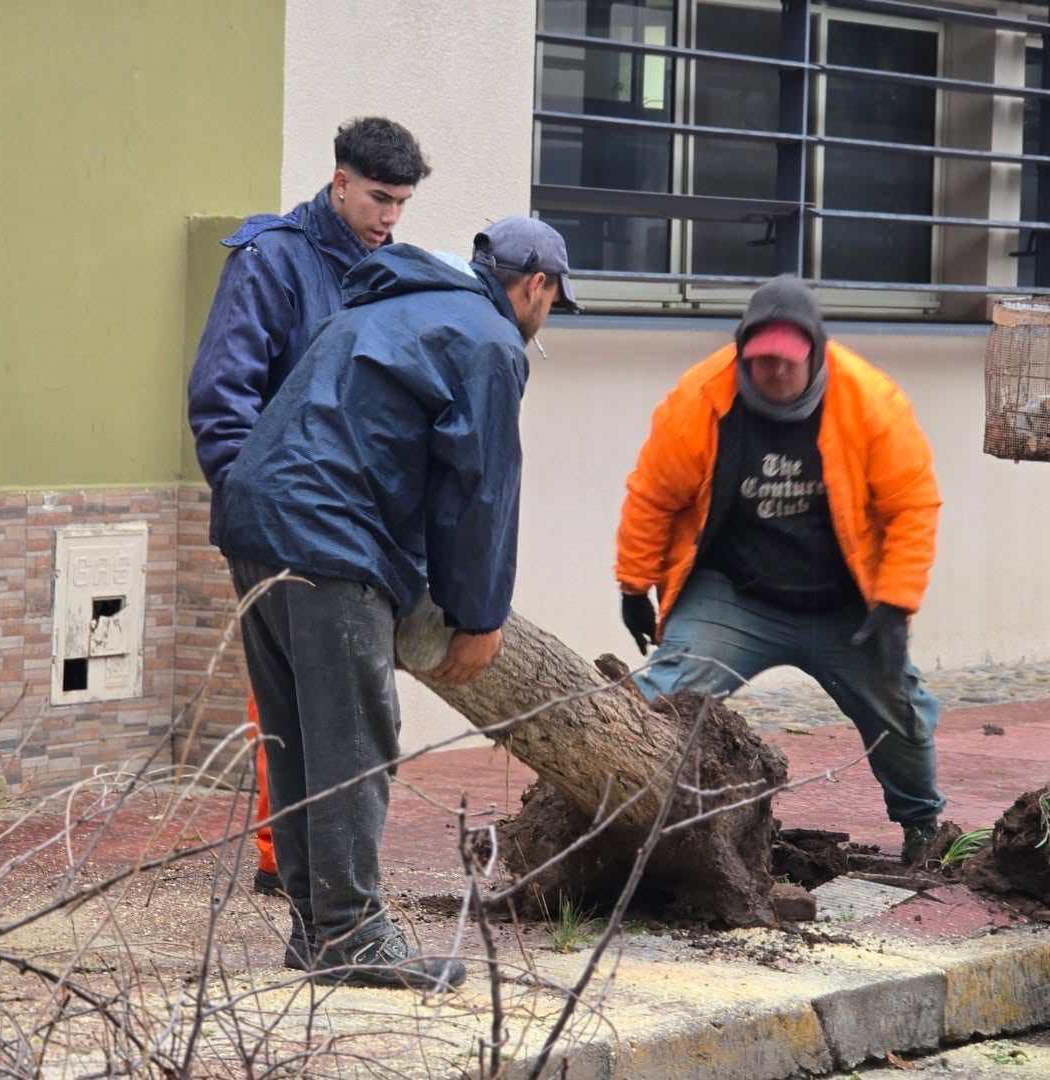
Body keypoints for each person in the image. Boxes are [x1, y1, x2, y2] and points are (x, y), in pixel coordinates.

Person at [218, 216, 578, 991]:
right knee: (353, 739)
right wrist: (478, 617)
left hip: (254, 522)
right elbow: (479, 492)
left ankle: (318, 928)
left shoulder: (386, 305)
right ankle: (350, 932)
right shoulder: (487, 340)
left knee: (296, 734)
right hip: (326, 537)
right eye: (551, 304)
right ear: (536, 286)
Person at [615, 274, 946, 864]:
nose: (774, 372)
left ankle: (923, 827)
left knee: (899, 707)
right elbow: (653, 496)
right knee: (661, 700)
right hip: (734, 596)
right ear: (743, 351)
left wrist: (896, 604)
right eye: (761, 360)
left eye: (787, 361)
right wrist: (633, 584)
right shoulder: (700, 397)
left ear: (814, 351)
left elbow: (911, 506)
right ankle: (618, 821)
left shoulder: (871, 401)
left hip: (845, 604)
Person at [187, 117, 430, 895]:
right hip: (287, 529)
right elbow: (223, 400)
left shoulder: (389, 271)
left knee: (338, 718)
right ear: (340, 183)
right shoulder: (273, 261)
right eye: (378, 199)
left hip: (357, 539)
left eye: (402, 204)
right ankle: (307, 887)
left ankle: (314, 894)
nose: (390, 218)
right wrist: (255, 508)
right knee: (305, 717)